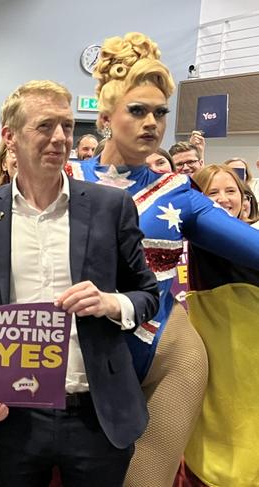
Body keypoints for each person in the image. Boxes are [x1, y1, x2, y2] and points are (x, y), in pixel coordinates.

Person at [67, 32, 259, 485]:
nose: (152, 122)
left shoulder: (180, 194)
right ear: (107, 116)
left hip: (168, 359)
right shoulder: (64, 179)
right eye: (138, 110)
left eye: (160, 112)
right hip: (74, 356)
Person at [0, 79, 159, 486]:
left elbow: (147, 295)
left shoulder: (111, 206)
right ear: (9, 137)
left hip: (96, 412)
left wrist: (112, 303)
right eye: (45, 126)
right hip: (17, 412)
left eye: (67, 127)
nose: (60, 138)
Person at [177, 165, 259, 487]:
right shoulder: (200, 244)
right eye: (213, 192)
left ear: (245, 199)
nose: (224, 199)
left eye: (231, 191)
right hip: (220, 363)